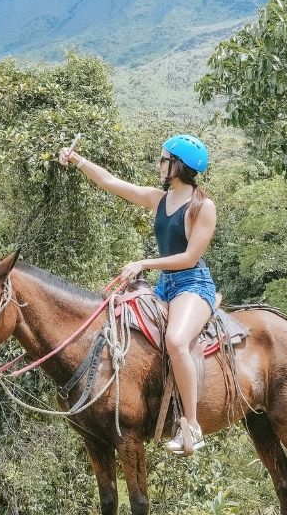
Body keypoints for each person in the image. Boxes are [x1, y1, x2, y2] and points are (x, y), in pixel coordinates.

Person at [58, 134, 217, 455]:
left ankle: (194, 427)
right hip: (165, 287)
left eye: (163, 159)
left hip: (192, 285)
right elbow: (111, 182)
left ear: (179, 165)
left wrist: (144, 261)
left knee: (175, 341)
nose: (158, 164)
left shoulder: (203, 207)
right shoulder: (160, 199)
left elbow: (189, 257)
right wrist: (77, 160)